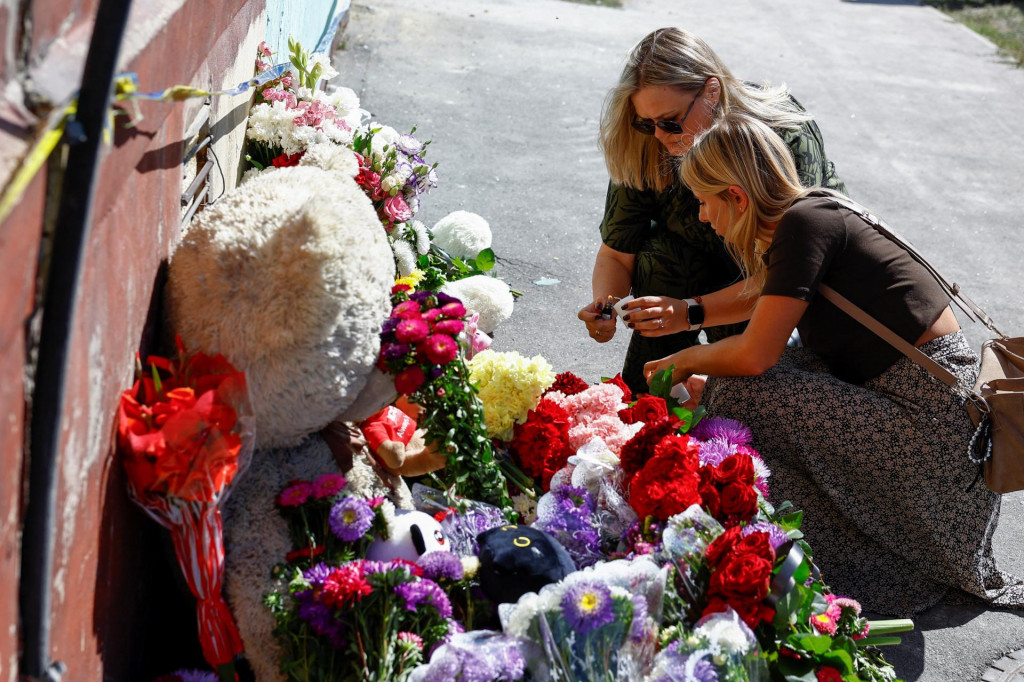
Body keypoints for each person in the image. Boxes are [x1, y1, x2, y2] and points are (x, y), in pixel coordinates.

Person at [640, 111, 1024, 615]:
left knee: (737, 390)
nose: (703, 217)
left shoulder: (804, 223)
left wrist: (686, 359)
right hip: (939, 424)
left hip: (935, 439)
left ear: (736, 196)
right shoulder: (811, 213)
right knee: (746, 379)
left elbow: (755, 355)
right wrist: (689, 315)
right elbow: (765, 294)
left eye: (704, 202)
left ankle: (815, 551)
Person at [577, 27, 846, 395]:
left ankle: (761, 375)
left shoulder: (781, 134)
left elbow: (783, 274)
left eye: (670, 121)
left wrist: (690, 312)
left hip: (778, 281)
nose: (659, 135)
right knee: (662, 259)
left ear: (712, 91)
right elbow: (616, 253)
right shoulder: (648, 142)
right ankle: (654, 396)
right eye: (645, 123)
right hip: (702, 269)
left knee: (741, 387)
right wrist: (605, 306)